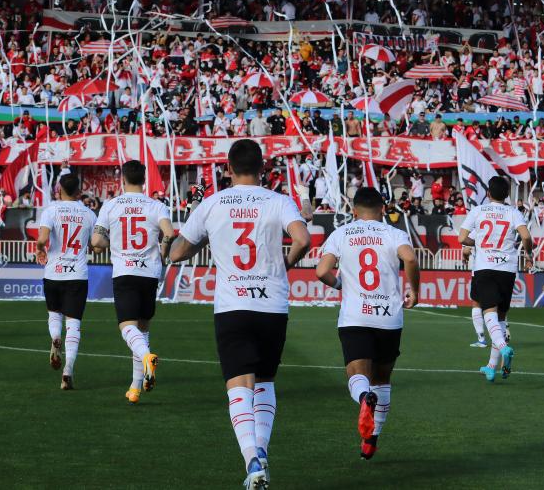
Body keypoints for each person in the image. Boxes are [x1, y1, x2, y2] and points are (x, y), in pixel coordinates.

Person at [169, 139, 311, 490]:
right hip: (271, 304)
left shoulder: (212, 203)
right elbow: (303, 239)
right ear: (263, 169)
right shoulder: (279, 200)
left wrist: (197, 235)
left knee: (238, 385)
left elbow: (176, 253)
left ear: (228, 169)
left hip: (233, 305)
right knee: (264, 383)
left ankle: (252, 459)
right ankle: (260, 455)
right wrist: (284, 265)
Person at [315, 187, 419, 460]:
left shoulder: (341, 234)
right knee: (382, 380)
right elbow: (409, 257)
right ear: (383, 210)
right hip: (388, 316)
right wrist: (414, 290)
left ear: (353, 211)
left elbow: (321, 271)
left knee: (357, 375)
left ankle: (363, 399)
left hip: (355, 316)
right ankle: (371, 440)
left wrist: (339, 284)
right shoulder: (394, 234)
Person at [90, 160, 175, 404]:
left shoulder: (111, 205)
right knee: (143, 328)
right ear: (144, 179)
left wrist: (105, 244)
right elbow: (169, 233)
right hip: (149, 272)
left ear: (123, 179)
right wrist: (163, 254)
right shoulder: (156, 205)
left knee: (127, 327)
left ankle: (147, 357)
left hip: (125, 271)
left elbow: (97, 240)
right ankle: (135, 387)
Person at [458, 176, 534, 382]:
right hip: (508, 269)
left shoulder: (478, 211)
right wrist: (528, 255)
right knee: (500, 318)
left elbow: (462, 238)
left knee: (488, 312)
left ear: (488, 194)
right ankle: (491, 367)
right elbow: (526, 237)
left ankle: (503, 347)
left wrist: (477, 242)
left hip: (485, 267)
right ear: (507, 194)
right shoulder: (513, 212)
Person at [35, 174, 96, 390]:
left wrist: (40, 249)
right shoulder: (89, 214)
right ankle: (68, 369)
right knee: (74, 324)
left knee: (54, 314)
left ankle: (54, 337)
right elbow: (96, 245)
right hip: (77, 274)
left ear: (59, 189)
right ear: (79, 191)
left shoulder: (51, 211)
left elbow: (42, 239)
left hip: (54, 272)